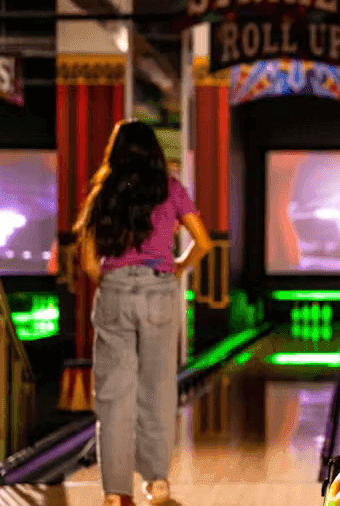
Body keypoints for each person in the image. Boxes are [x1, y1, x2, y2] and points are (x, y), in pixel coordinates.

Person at [74, 120, 212, 506]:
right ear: (153, 150)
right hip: (159, 291)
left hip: (115, 290)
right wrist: (179, 266)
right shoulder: (170, 188)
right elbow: (202, 241)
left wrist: (109, 279)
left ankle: (116, 493)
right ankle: (157, 483)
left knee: (114, 398)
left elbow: (87, 259)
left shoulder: (103, 191)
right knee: (157, 391)